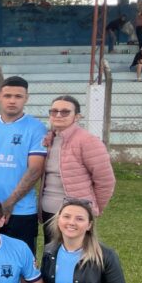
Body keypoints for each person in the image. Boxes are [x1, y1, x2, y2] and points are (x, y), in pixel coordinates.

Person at [0, 76, 48, 254]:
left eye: (18, 96)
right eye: (7, 96)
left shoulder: (36, 128)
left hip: (21, 211)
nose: (12, 101)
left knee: (21, 260)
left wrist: (10, 202)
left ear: (26, 98)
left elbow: (35, 169)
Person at [39, 95, 115, 229]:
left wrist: (92, 209)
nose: (58, 115)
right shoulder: (49, 139)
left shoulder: (88, 141)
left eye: (65, 112)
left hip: (75, 214)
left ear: (77, 116)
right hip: (48, 211)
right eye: (54, 111)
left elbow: (105, 180)